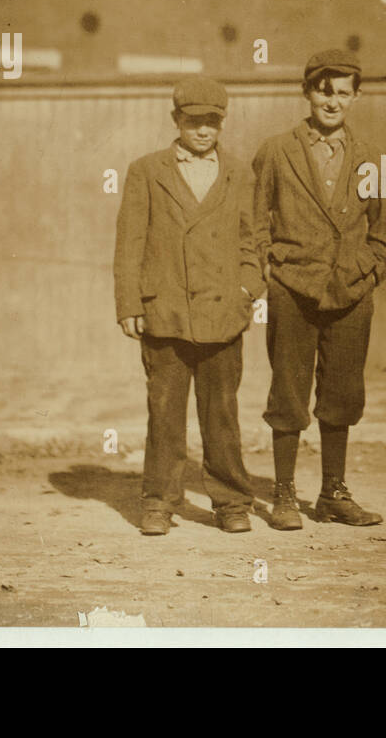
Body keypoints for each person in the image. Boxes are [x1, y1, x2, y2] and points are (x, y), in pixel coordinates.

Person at [113, 76, 264, 536]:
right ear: (176, 120)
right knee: (164, 412)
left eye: (212, 122)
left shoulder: (239, 172)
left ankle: (232, 501)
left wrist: (247, 290)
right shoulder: (146, 170)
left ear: (222, 123)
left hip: (222, 313)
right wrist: (129, 303)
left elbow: (253, 240)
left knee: (222, 413)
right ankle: (159, 501)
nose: (203, 130)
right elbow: (129, 242)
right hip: (166, 311)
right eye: (193, 120)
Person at [252, 49, 386, 530]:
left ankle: (333, 493)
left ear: (356, 97)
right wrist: (271, 270)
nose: (332, 101)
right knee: (288, 392)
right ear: (308, 92)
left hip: (351, 293)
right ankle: (284, 495)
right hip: (293, 289)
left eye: (343, 92)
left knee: (342, 392)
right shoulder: (276, 151)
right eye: (323, 90)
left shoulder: (370, 158)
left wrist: (369, 272)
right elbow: (254, 223)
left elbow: (382, 233)